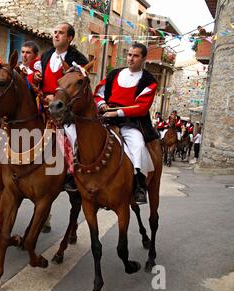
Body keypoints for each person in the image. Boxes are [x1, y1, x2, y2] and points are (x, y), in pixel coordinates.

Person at [94, 42, 158, 204]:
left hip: (132, 123)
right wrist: (102, 105)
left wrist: (117, 112)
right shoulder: (114, 74)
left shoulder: (149, 81)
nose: (131, 59)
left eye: (135, 56)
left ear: (143, 59)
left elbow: (141, 108)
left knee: (138, 145)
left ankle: (139, 186)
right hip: (106, 119)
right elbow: (98, 94)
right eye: (129, 55)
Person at [34, 22, 89, 192]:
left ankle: (72, 174)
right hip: (42, 105)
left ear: (70, 38)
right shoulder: (45, 56)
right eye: (55, 32)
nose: (56, 35)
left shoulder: (79, 59)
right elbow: (40, 78)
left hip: (65, 109)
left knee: (71, 136)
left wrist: (56, 98)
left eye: (61, 33)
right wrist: (37, 78)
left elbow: (79, 86)